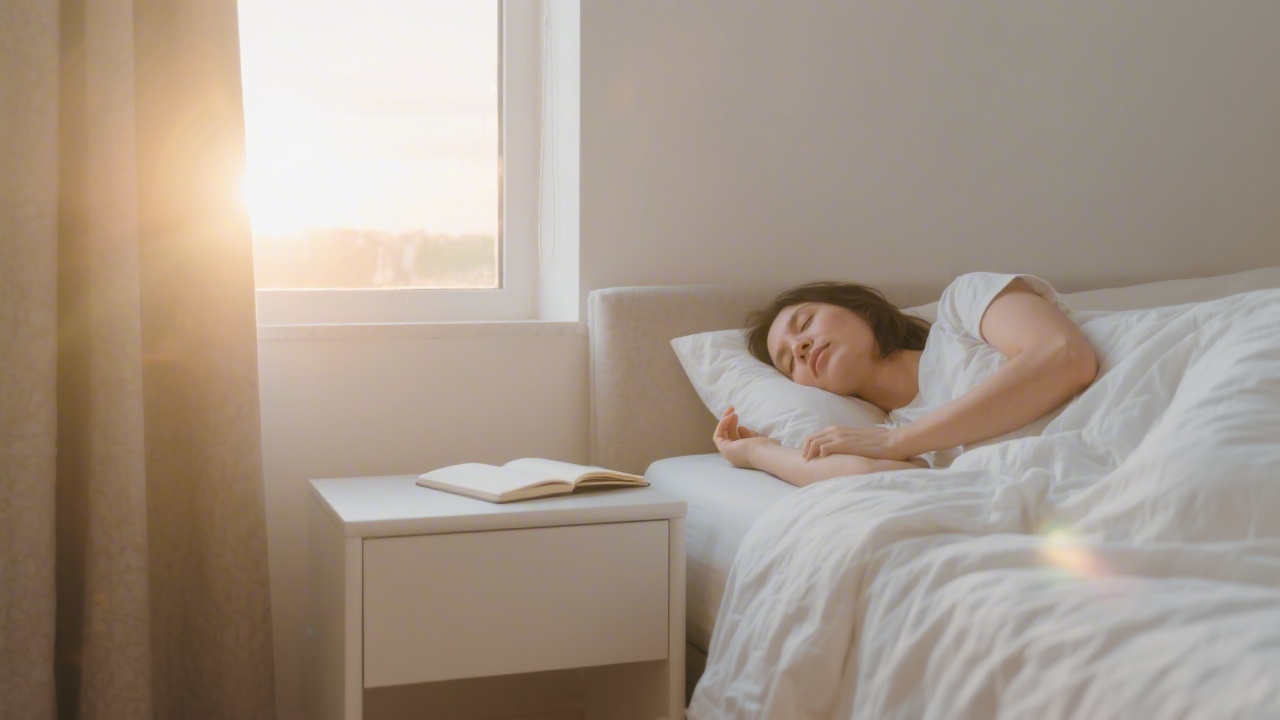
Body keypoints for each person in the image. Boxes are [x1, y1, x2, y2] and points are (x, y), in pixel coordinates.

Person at [713, 273, 1100, 488]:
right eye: (787, 362)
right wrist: (757, 452)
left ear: (861, 310)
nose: (799, 347)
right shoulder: (892, 443)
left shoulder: (963, 310)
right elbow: (862, 481)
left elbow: (1064, 356)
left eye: (805, 323)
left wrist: (897, 442)